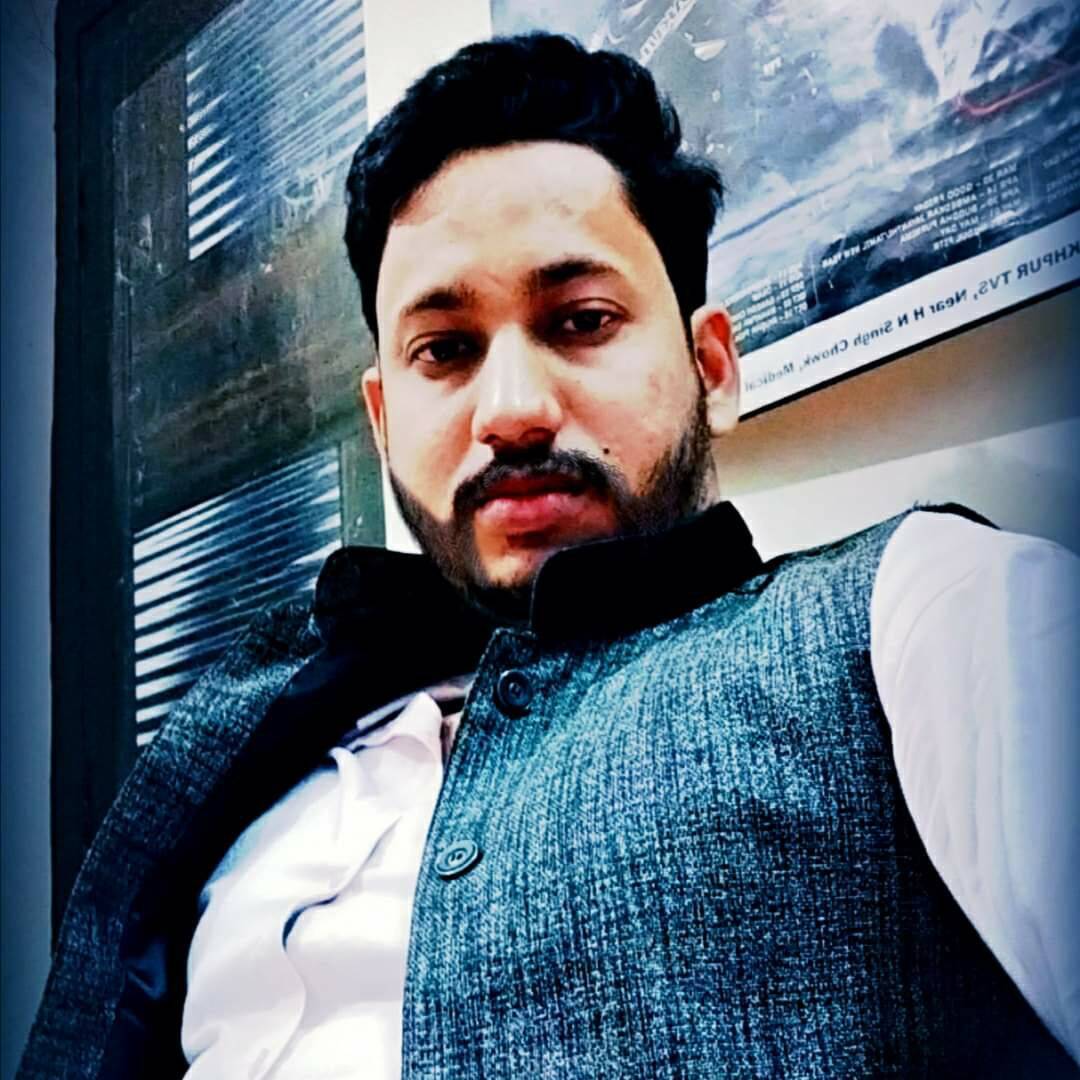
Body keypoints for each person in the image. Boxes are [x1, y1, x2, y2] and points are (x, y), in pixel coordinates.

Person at [20, 32, 1079, 1080]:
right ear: (383, 420)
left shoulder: (923, 617)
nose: (513, 410)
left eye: (581, 320)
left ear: (712, 368)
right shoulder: (244, 748)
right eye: (445, 350)